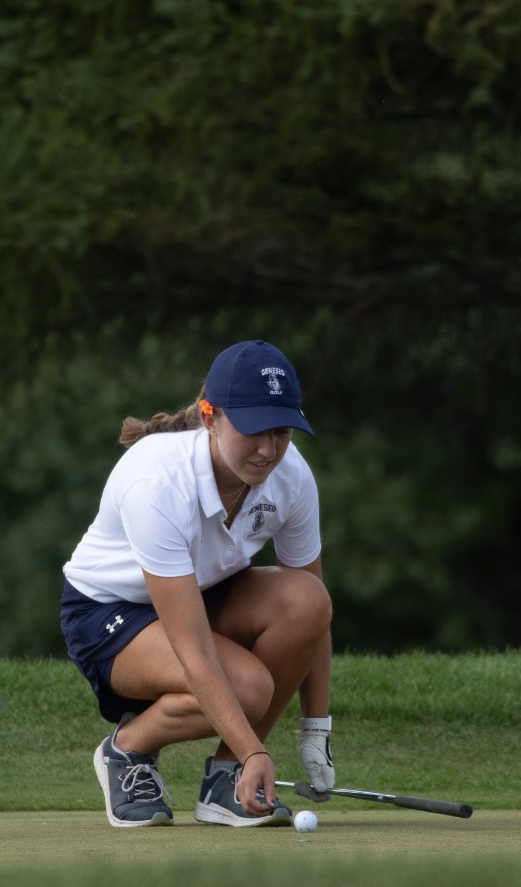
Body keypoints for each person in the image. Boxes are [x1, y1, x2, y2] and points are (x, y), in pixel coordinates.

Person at [61, 340, 338, 828]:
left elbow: (314, 620)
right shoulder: (157, 481)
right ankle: (127, 751)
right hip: (108, 615)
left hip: (205, 596)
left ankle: (225, 784)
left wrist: (316, 732)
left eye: (282, 431)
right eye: (254, 431)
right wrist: (257, 751)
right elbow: (194, 653)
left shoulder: (291, 477)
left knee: (307, 599)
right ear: (210, 418)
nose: (268, 449)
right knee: (248, 689)